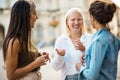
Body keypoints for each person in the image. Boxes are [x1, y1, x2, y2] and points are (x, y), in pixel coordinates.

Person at [3, 0, 50, 80]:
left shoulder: (24, 38)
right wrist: (35, 63)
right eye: (34, 13)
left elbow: (23, 61)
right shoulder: (14, 42)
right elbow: (10, 75)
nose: (37, 17)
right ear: (25, 16)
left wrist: (37, 56)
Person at [76, 1, 120, 80]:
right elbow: (106, 62)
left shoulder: (98, 41)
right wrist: (89, 56)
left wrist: (80, 67)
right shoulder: (115, 39)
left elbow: (92, 75)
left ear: (92, 18)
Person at [51, 8, 92, 80]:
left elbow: (94, 64)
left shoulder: (90, 38)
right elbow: (56, 67)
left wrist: (84, 50)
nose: (76, 23)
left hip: (86, 77)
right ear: (67, 22)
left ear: (82, 21)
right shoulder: (61, 40)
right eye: (73, 20)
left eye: (79, 19)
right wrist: (60, 56)